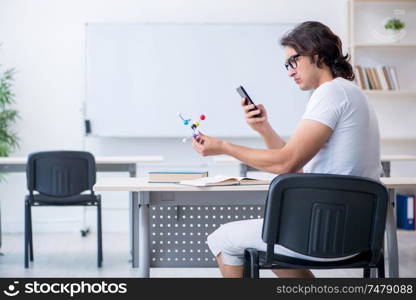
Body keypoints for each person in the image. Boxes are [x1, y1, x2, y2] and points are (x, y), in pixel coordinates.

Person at [191, 21, 382, 278]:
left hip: (324, 231)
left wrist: (223, 147)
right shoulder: (350, 93)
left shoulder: (330, 93)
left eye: (293, 61)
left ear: (316, 53)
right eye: (287, 65)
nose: (290, 72)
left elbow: (285, 164)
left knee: (222, 239)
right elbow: (297, 164)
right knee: (274, 246)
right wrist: (264, 129)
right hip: (357, 232)